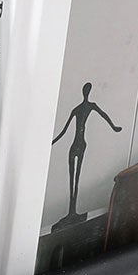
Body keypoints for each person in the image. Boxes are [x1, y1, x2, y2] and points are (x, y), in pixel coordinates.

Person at [51, 82, 122, 223]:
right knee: (72, 177)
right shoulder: (77, 109)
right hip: (75, 145)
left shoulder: (90, 106)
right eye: (85, 90)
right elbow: (64, 130)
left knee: (76, 178)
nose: (86, 92)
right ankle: (71, 212)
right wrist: (51, 142)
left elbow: (104, 116)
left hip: (81, 145)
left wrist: (114, 127)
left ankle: (74, 212)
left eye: (87, 90)